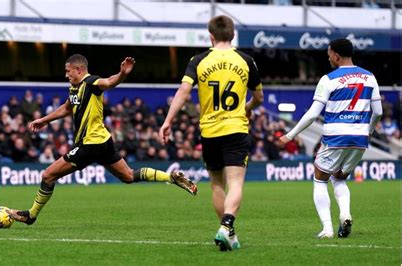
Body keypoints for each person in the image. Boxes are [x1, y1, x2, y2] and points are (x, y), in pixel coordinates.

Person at [8, 54, 197, 225]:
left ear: (79, 69)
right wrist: (44, 120)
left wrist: (122, 74)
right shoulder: (74, 88)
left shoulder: (91, 82)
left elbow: (109, 82)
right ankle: (171, 177)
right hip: (103, 142)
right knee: (129, 176)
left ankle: (31, 215)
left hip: (90, 144)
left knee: (47, 175)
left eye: (68, 71)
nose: (66, 75)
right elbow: (67, 108)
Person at [159, 15, 263, 251]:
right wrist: (247, 108)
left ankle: (228, 233)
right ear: (233, 34)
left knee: (217, 185)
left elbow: (184, 92)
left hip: (210, 131)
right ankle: (227, 226)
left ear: (211, 36)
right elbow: (259, 97)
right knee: (235, 183)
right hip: (236, 129)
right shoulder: (246, 61)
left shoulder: (198, 60)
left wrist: (168, 121)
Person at [278, 38, 383, 239]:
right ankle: (345, 214)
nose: (328, 58)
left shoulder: (328, 79)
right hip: (360, 137)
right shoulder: (370, 77)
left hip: (336, 136)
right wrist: (368, 132)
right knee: (339, 177)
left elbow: (311, 114)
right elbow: (377, 111)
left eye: (329, 55)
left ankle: (327, 229)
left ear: (335, 55)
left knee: (320, 179)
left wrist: (290, 135)